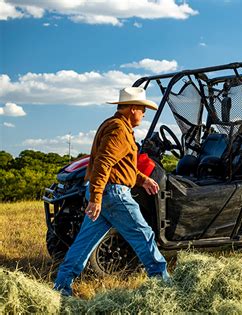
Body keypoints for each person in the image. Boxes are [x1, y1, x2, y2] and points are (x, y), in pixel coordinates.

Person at [53, 87, 170, 296]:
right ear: (133, 108)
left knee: (84, 243)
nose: (144, 114)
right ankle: (164, 285)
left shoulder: (115, 125)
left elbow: (120, 166)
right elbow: (103, 164)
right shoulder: (118, 129)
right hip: (113, 194)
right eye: (143, 109)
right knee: (144, 235)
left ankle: (61, 286)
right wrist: (96, 199)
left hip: (105, 193)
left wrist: (142, 180)